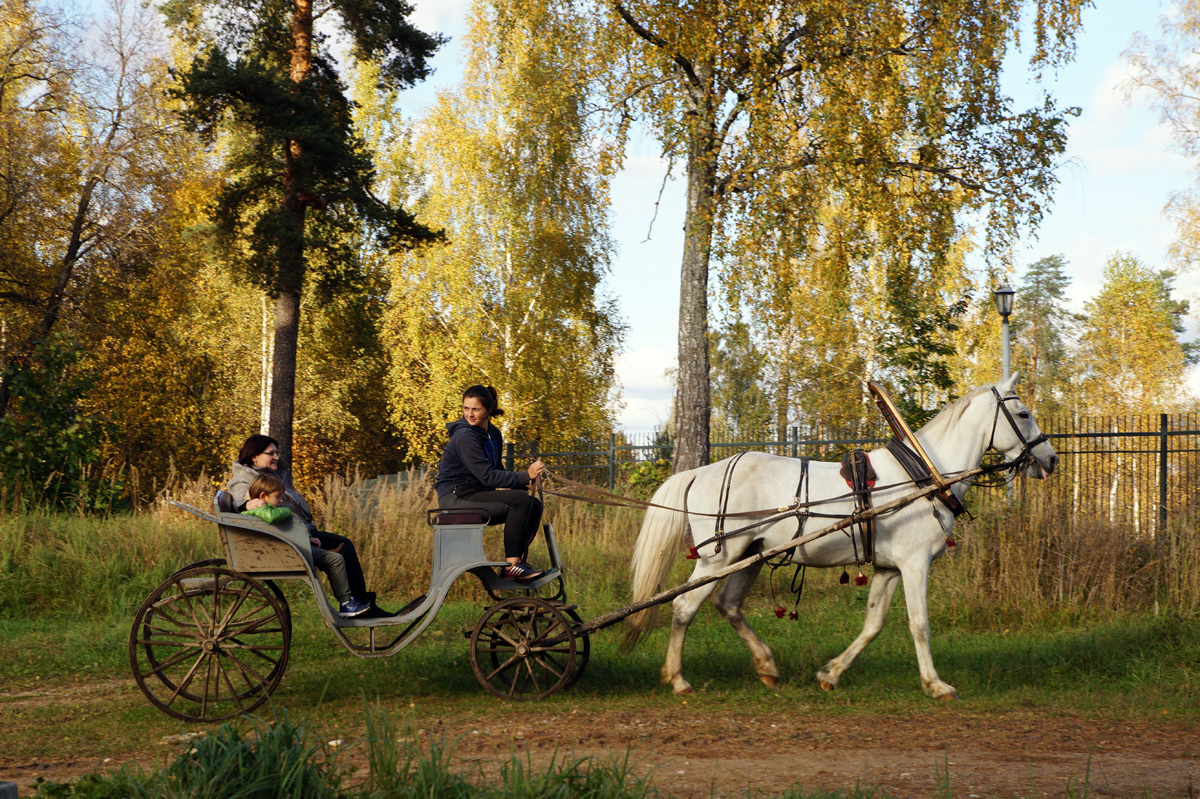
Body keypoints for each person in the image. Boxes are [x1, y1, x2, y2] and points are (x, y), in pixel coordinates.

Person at [226, 433, 384, 615]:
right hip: (283, 538)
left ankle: (358, 601)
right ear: (254, 456)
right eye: (271, 453)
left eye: (277, 453)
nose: (276, 457)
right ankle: (357, 604)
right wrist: (247, 503)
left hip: (297, 532)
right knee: (344, 547)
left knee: (343, 545)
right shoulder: (244, 479)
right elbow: (240, 504)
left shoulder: (276, 475)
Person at [435, 384, 548, 581]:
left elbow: (497, 470)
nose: (469, 414)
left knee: (532, 504)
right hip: (455, 498)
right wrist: (525, 474)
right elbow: (487, 477)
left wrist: (525, 483)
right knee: (520, 502)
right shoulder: (465, 437)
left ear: (489, 410)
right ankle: (511, 566)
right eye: (466, 408)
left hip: (474, 493)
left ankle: (517, 564)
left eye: (475, 409)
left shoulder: (493, 434)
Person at [241, 473, 369, 618]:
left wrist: (308, 538)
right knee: (336, 560)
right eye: (278, 496)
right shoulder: (260, 510)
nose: (281, 500)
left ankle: (329, 556)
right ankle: (346, 603)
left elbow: (287, 531)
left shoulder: (265, 509)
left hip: (290, 548)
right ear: (263, 496)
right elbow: (273, 518)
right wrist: (289, 512)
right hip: (288, 552)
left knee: (332, 558)